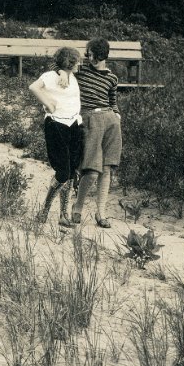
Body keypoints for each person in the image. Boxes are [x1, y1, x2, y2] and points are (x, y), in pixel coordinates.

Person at [28, 47, 84, 227]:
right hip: (56, 124)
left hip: (74, 124)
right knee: (63, 172)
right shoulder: (50, 76)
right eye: (77, 61)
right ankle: (44, 211)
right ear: (70, 62)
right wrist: (48, 103)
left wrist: (62, 72)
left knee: (71, 171)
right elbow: (33, 87)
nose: (80, 64)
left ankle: (63, 215)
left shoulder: (70, 76)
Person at [71, 38, 122, 228]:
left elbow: (112, 100)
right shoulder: (81, 70)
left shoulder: (112, 78)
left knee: (107, 169)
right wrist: (61, 73)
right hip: (90, 119)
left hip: (110, 121)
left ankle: (101, 214)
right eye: (88, 53)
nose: (89, 57)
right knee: (91, 171)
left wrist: (116, 114)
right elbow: (61, 67)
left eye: (93, 54)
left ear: (102, 54)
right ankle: (77, 207)